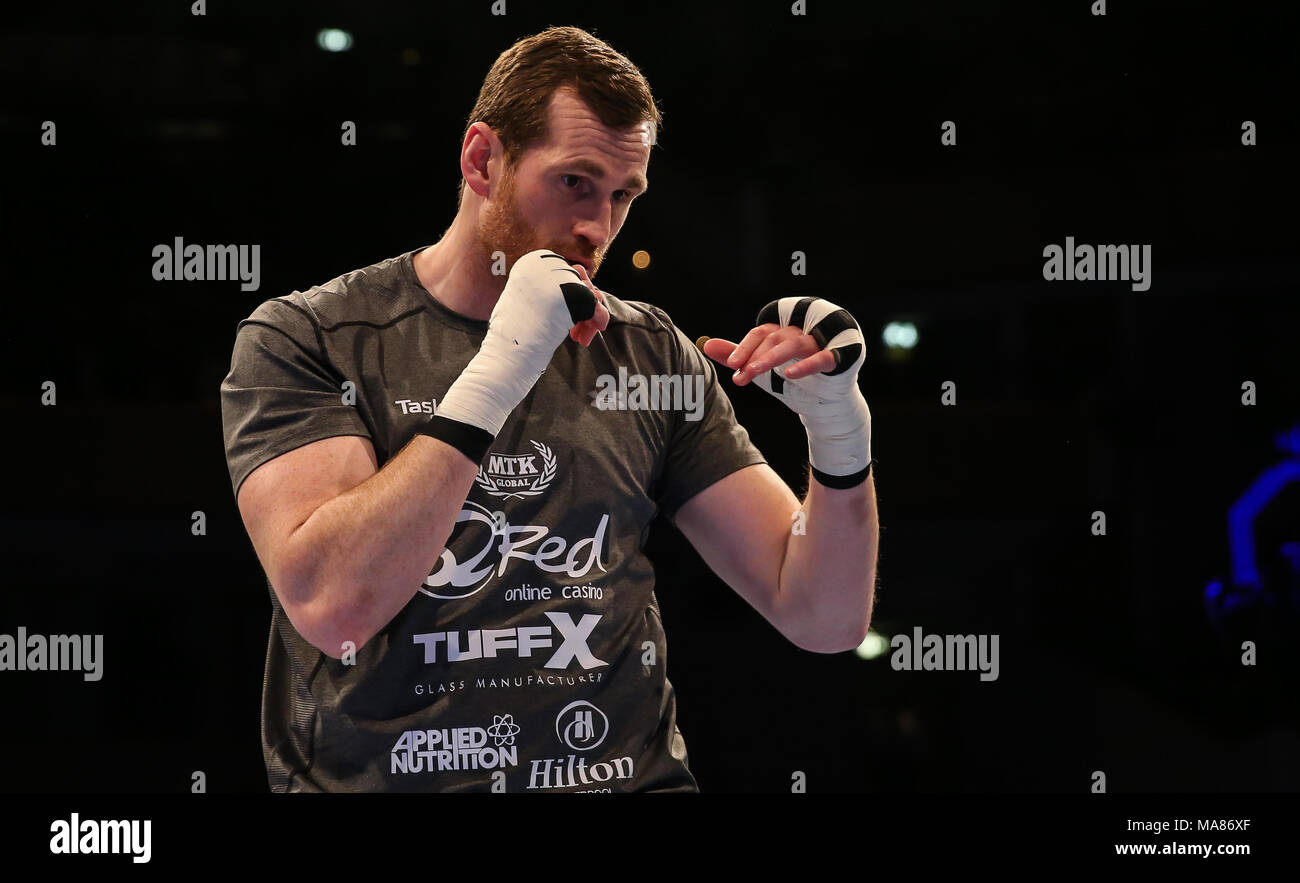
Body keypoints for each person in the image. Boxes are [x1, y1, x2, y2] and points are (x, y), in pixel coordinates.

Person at [219, 25, 878, 793]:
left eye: (622, 195)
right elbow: (334, 607)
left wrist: (839, 431)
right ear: (482, 160)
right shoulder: (311, 338)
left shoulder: (647, 351)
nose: (597, 227)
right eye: (574, 182)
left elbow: (822, 617)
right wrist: (504, 364)